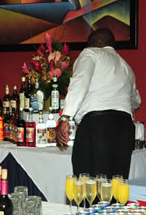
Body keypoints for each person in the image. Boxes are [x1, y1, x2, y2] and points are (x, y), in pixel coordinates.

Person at [56, 28, 140, 178]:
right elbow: (135, 100)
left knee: (89, 185)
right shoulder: (126, 67)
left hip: (98, 125)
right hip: (125, 127)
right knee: (117, 184)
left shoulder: (91, 53)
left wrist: (65, 117)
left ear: (94, 43)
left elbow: (80, 82)